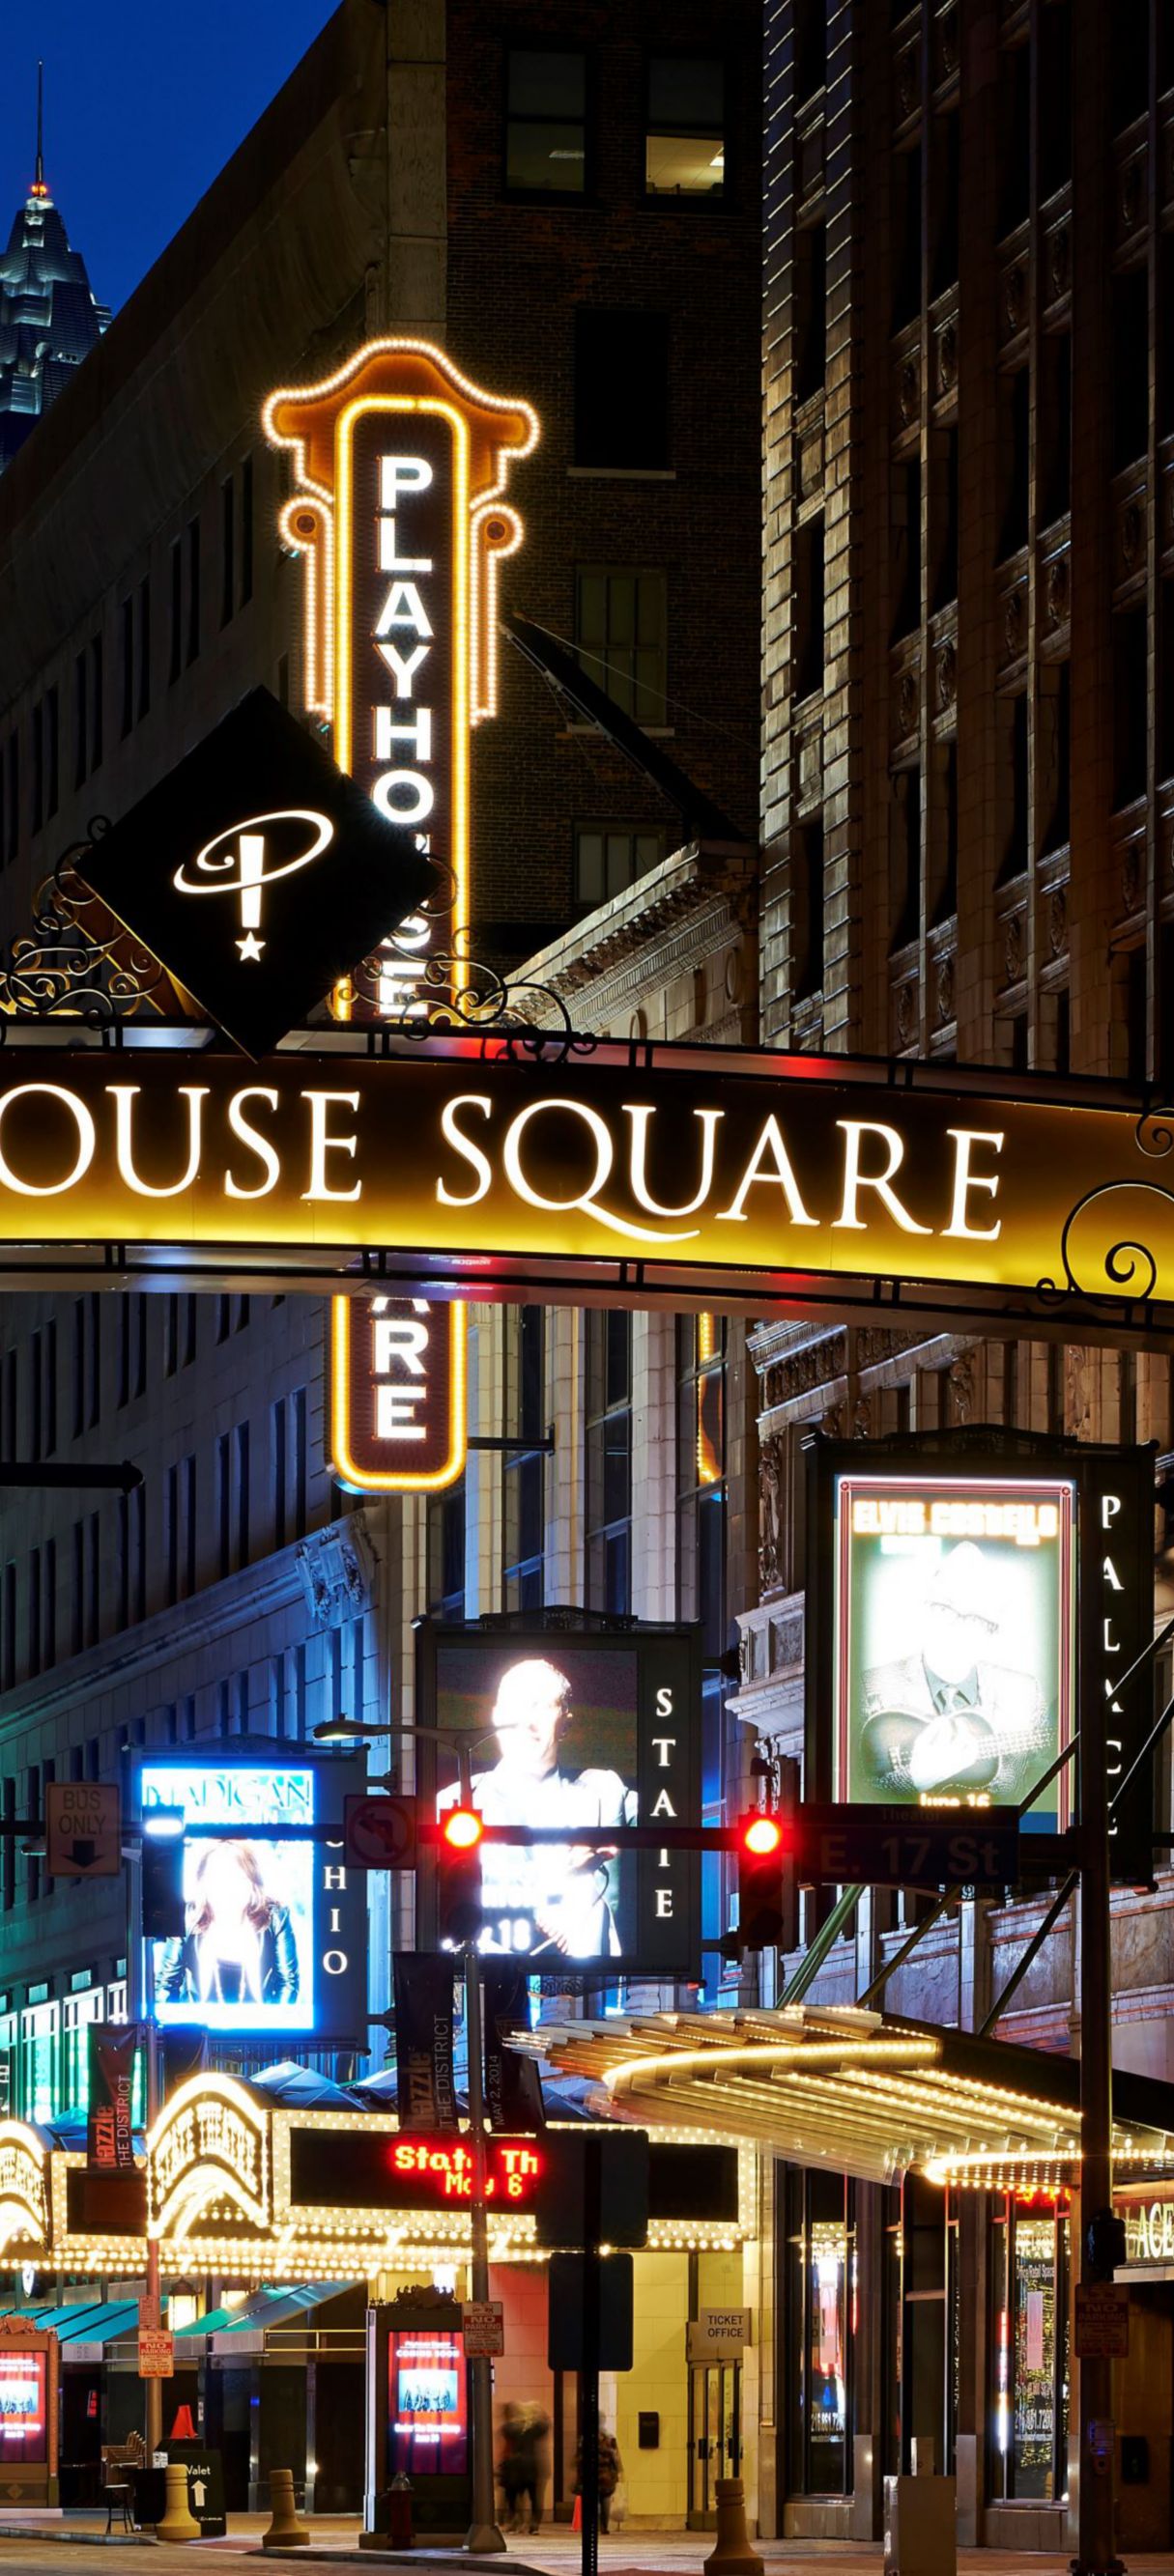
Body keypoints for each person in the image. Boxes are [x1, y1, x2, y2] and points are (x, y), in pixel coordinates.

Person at [438, 1656, 637, 1957]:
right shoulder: (457, 1802)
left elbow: (680, 1825)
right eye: (517, 1706)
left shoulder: (604, 1792)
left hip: (591, 1984)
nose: (528, 1721)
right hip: (489, 1984)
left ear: (565, 1724)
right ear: (496, 1716)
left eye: (542, 1705)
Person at [859, 1539, 1049, 1803]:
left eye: (972, 1619)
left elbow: (1045, 1782)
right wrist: (914, 1779)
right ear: (925, 1614)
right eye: (944, 1611)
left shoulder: (1024, 1692)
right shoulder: (872, 1686)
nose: (955, 1628)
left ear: (989, 1631)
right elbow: (855, 1783)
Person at [156, 1838, 300, 2006]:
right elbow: (165, 1986)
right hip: (196, 2030)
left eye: (238, 1878)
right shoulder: (186, 1917)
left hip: (262, 2029)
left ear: (253, 1885)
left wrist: (272, 2030)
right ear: (203, 1884)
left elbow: (288, 1984)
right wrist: (174, 2030)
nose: (228, 1889)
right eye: (218, 1879)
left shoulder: (276, 1917)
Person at [575, 2425, 622, 2534]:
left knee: (591, 2503)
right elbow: (615, 2461)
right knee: (605, 2502)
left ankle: (592, 2526)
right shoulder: (608, 2442)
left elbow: (579, 2460)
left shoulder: (584, 2442)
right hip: (605, 2477)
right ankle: (604, 2527)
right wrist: (616, 2474)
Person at [512, 2402, 550, 2534]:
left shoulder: (535, 2428)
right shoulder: (519, 2428)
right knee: (519, 2496)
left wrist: (539, 2414)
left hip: (533, 2468)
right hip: (521, 2468)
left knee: (534, 2497)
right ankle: (521, 2523)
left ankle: (533, 2525)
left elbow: (544, 2426)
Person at [496, 2403, 526, 2532]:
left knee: (509, 2495)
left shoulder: (506, 2428)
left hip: (509, 2464)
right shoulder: (521, 2428)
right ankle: (518, 2521)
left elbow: (504, 2447)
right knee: (517, 2494)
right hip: (519, 2464)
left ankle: (510, 2521)